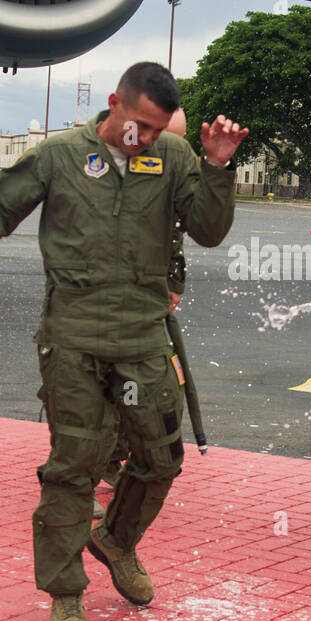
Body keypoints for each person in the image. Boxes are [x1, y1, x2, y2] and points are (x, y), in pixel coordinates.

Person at [0, 63, 247, 621]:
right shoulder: (60, 155)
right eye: (141, 125)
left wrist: (217, 167)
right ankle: (66, 591)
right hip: (72, 334)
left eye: (158, 129)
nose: (147, 138)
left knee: (162, 458)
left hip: (142, 335)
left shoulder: (173, 156)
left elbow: (208, 230)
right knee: (73, 465)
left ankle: (116, 540)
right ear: (115, 103)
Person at [97, 108, 190, 517]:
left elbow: (175, 234)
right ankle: (80, 475)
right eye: (166, 137)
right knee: (97, 391)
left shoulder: (168, 173)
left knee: (149, 387)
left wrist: (173, 282)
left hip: (147, 302)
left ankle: (115, 457)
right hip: (100, 302)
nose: (172, 148)